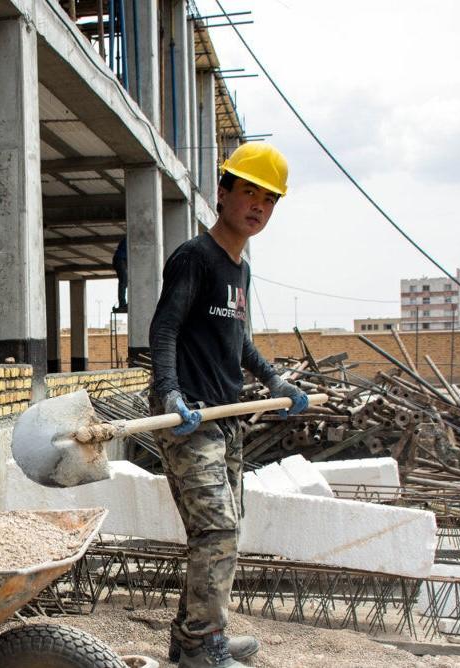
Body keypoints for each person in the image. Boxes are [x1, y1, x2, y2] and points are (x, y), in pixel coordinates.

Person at [148, 142, 308, 668]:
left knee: (219, 530)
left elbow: (238, 342)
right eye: (248, 193)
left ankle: (190, 636)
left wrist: (274, 379)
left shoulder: (240, 269)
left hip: (226, 421)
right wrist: (168, 390)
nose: (258, 206)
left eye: (269, 199)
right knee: (217, 531)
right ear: (222, 193)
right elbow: (165, 327)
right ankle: (203, 648)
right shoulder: (195, 257)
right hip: (190, 420)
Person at [112, 236, 128, 312]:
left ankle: (123, 303)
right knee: (123, 281)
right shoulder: (131, 238)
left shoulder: (129, 238)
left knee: (125, 282)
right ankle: (122, 304)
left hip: (120, 260)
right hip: (120, 259)